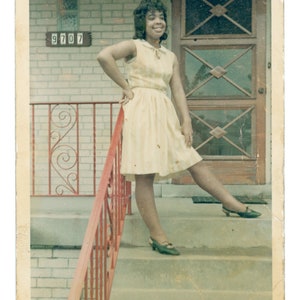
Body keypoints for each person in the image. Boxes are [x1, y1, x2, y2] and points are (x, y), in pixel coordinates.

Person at [97, 0, 261, 256]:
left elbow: (177, 90)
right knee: (145, 173)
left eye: (161, 17)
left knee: (192, 159)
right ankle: (157, 235)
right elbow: (104, 56)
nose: (158, 22)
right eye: (151, 18)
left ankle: (230, 203)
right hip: (140, 111)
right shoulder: (133, 46)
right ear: (142, 22)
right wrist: (126, 87)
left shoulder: (170, 55)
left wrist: (186, 120)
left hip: (164, 111)